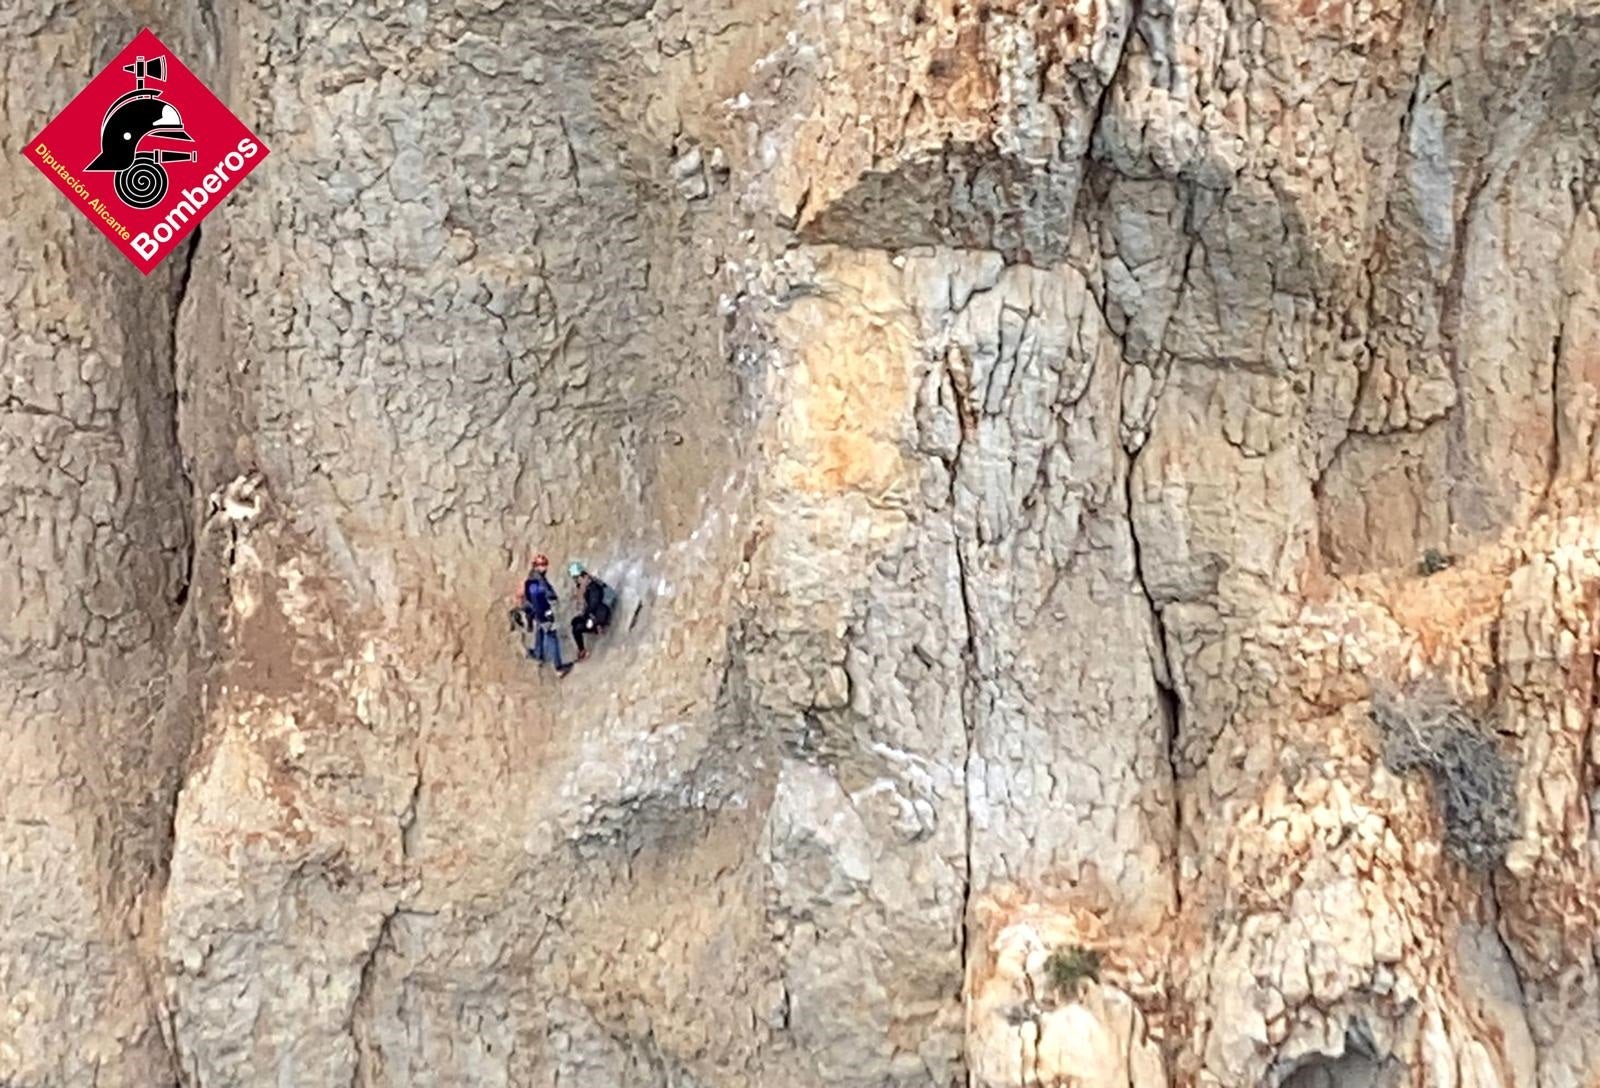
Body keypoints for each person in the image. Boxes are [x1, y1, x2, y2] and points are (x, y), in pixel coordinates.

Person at [520, 554, 571, 675]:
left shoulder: (535, 579)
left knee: (540, 631)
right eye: (542, 565)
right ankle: (558, 668)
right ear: (536, 566)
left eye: (545, 564)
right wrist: (546, 614)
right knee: (552, 637)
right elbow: (538, 601)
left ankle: (538, 653)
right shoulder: (535, 582)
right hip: (543, 612)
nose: (545, 567)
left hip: (540, 613)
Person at [568, 561, 614, 661]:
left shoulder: (593, 588)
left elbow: (593, 605)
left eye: (576, 578)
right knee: (575, 622)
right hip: (596, 613)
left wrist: (593, 620)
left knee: (577, 628)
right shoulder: (588, 585)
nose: (576, 581)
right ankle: (583, 648)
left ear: (582, 576)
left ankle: (583, 650)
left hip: (600, 616)